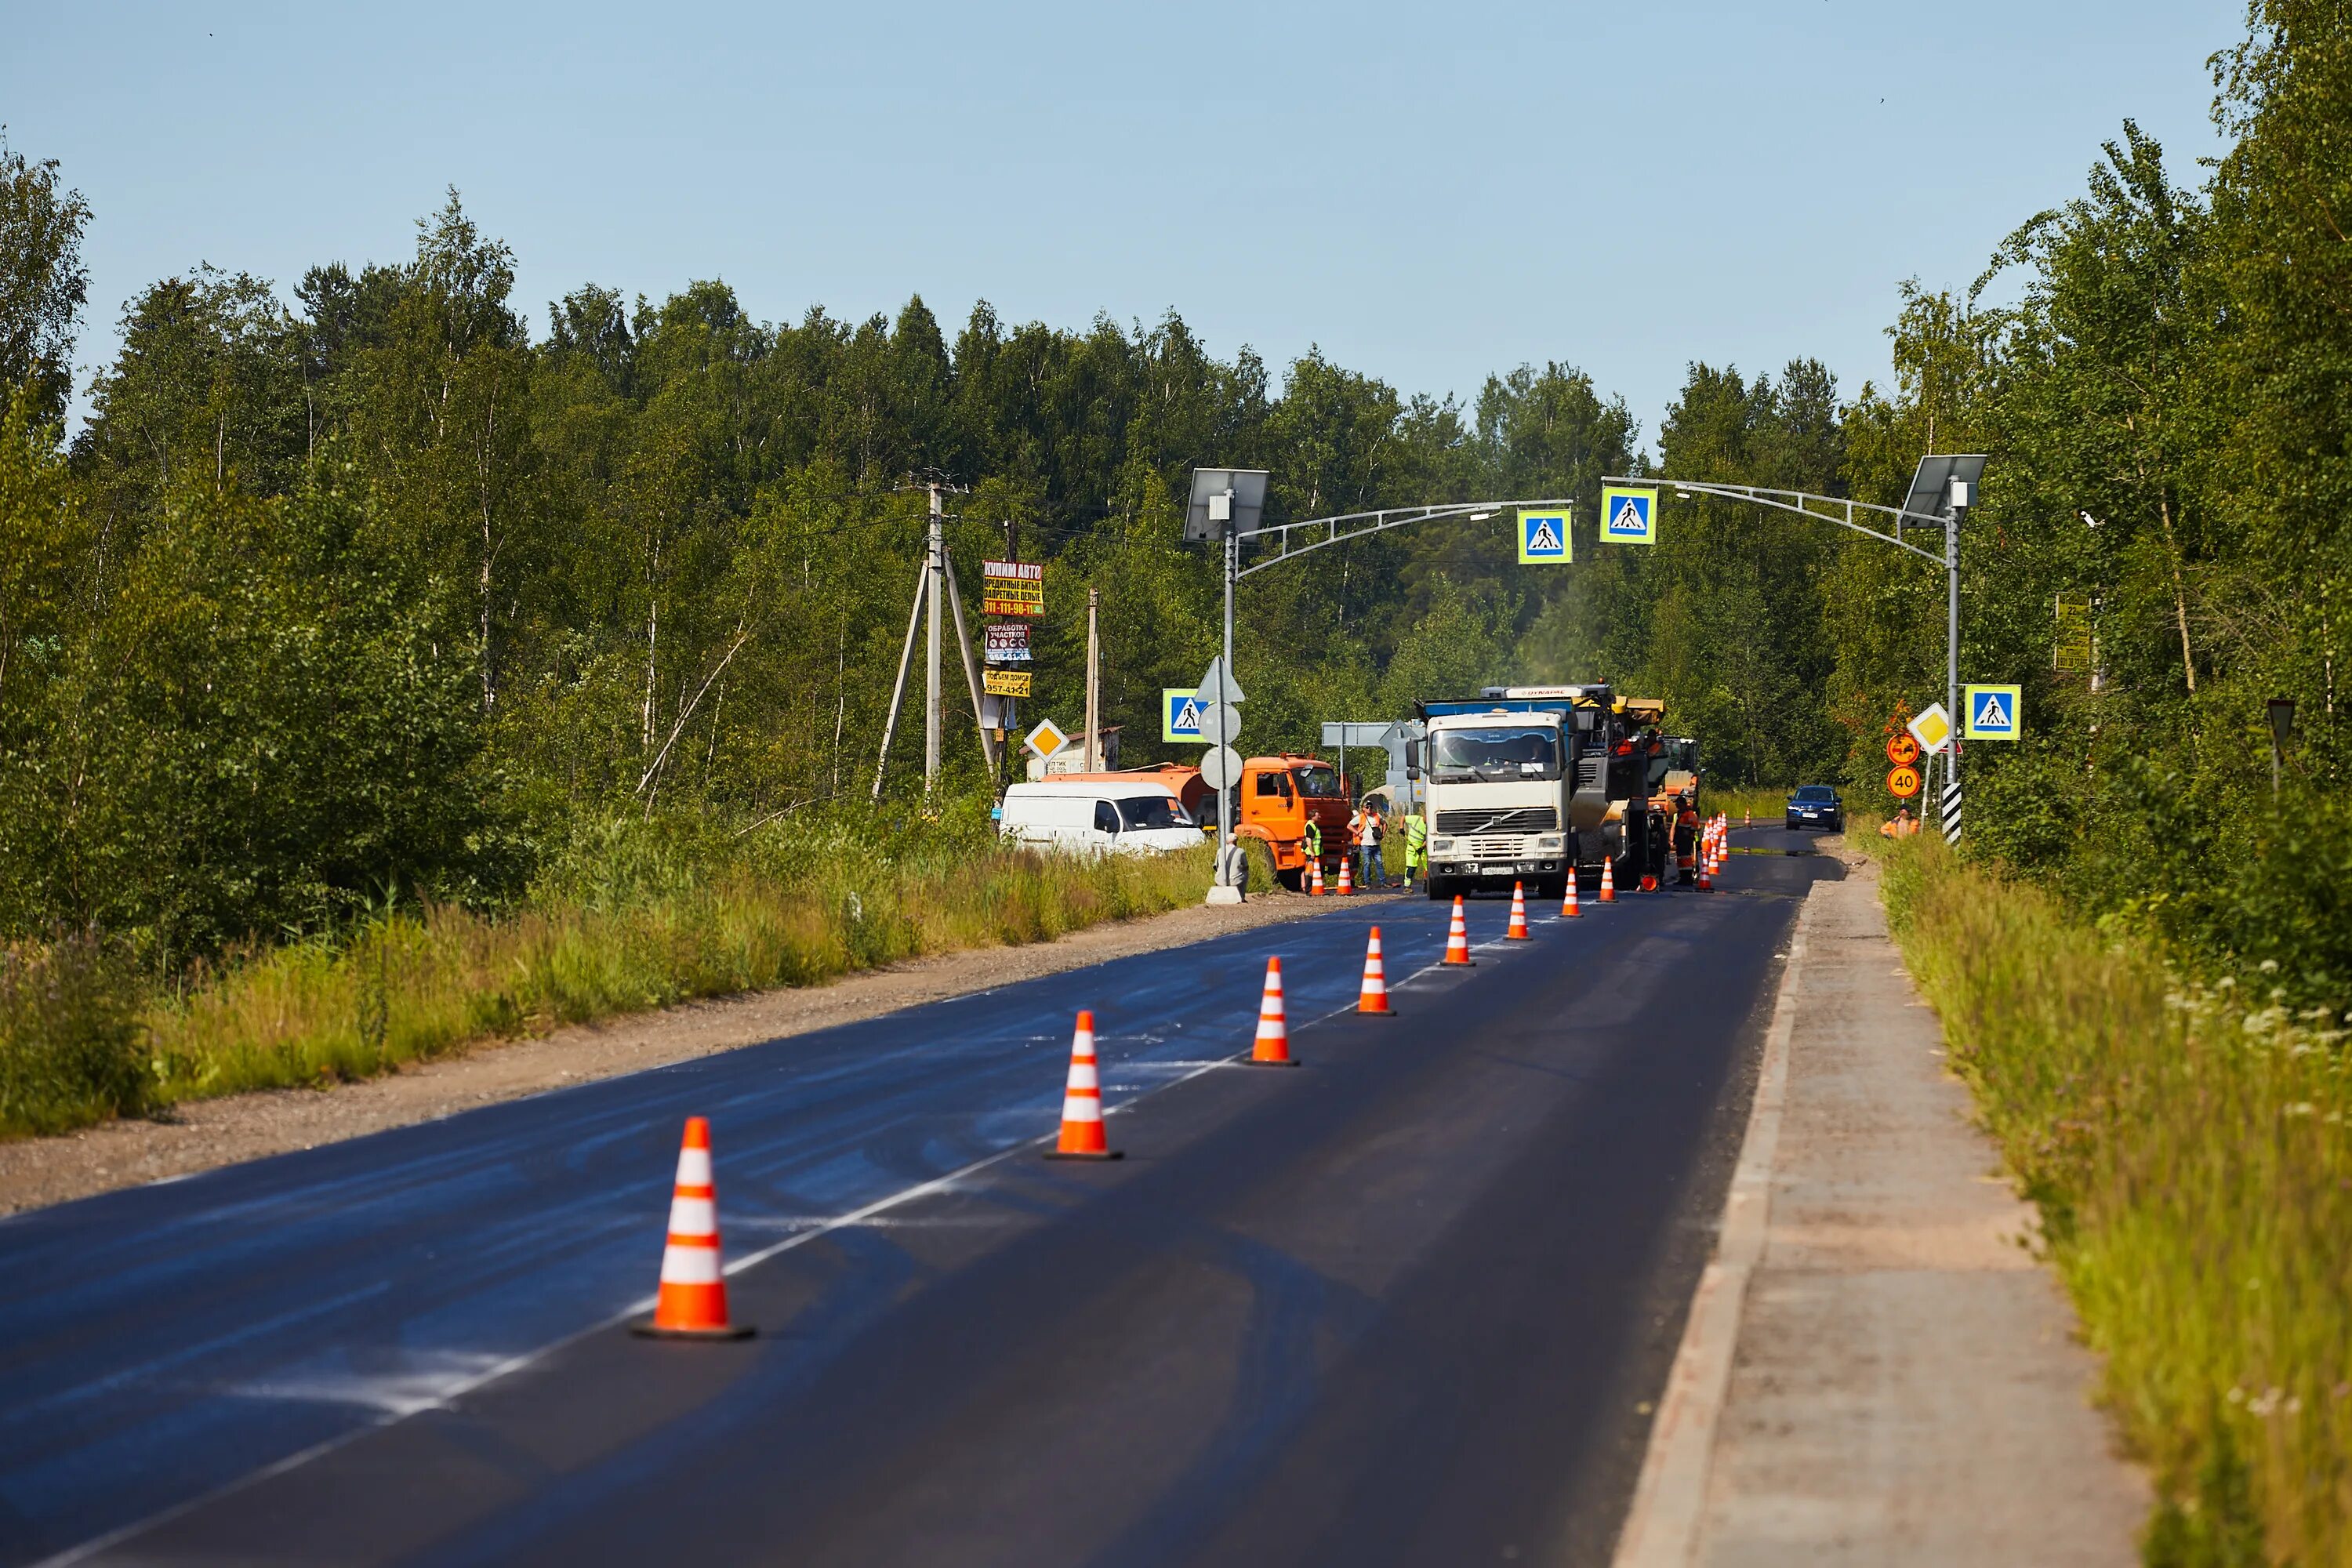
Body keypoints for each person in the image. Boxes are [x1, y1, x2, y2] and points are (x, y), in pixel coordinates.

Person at [1358, 800, 1384, 889]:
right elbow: (1349, 826)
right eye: (1367, 807)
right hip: (1366, 844)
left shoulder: (1377, 816)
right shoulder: (1361, 817)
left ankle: (1383, 882)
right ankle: (1367, 883)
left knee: (1379, 863)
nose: (1369, 808)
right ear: (1363, 808)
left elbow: (1385, 824)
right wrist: (1358, 833)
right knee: (1367, 864)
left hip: (1376, 844)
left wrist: (1383, 834)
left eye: (1370, 807)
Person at [1404, 808, 1428, 891]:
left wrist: (1421, 848)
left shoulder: (1430, 826)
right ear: (1424, 815)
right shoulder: (1416, 819)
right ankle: (1407, 886)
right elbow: (1403, 818)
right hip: (1412, 848)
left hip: (1422, 849)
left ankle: (1427, 884)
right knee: (1411, 867)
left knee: (1428, 867)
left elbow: (1428, 839)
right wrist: (1401, 828)